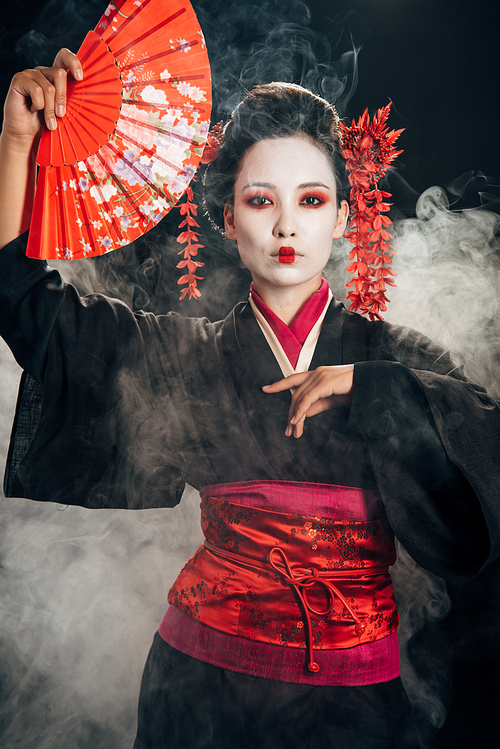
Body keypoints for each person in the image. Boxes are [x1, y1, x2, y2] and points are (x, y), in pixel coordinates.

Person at [0, 50, 499, 749]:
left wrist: (372, 388)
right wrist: (18, 142)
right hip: (198, 694)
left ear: (346, 216)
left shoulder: (403, 362)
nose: (287, 226)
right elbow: (28, 310)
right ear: (228, 219)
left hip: (356, 707)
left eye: (312, 199)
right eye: (260, 200)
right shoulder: (184, 356)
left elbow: (485, 470)